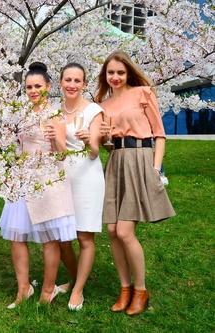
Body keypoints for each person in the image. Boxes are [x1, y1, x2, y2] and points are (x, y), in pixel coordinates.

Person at [96, 50, 175, 316]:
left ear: (128, 72)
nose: (115, 77)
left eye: (120, 72)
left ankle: (141, 290)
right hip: (116, 162)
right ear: (105, 75)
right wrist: (105, 139)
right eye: (111, 73)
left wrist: (155, 168)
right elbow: (108, 147)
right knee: (112, 231)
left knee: (125, 232)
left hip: (141, 159)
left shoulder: (143, 93)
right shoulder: (102, 105)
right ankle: (125, 288)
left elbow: (160, 135)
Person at [0, 62, 77, 309]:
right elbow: (14, 145)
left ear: (48, 87)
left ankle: (47, 290)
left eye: (37, 86)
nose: (33, 91)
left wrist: (56, 140)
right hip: (23, 179)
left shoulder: (55, 116)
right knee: (16, 235)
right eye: (29, 87)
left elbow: (63, 156)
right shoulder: (21, 115)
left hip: (48, 181)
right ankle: (24, 289)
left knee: (49, 239)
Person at [55, 62, 105, 311]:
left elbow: (96, 153)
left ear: (84, 84)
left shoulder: (94, 110)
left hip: (87, 176)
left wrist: (89, 142)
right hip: (61, 177)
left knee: (84, 236)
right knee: (62, 238)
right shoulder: (54, 111)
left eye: (77, 81)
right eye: (68, 80)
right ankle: (74, 278)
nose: (72, 85)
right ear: (61, 82)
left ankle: (78, 289)